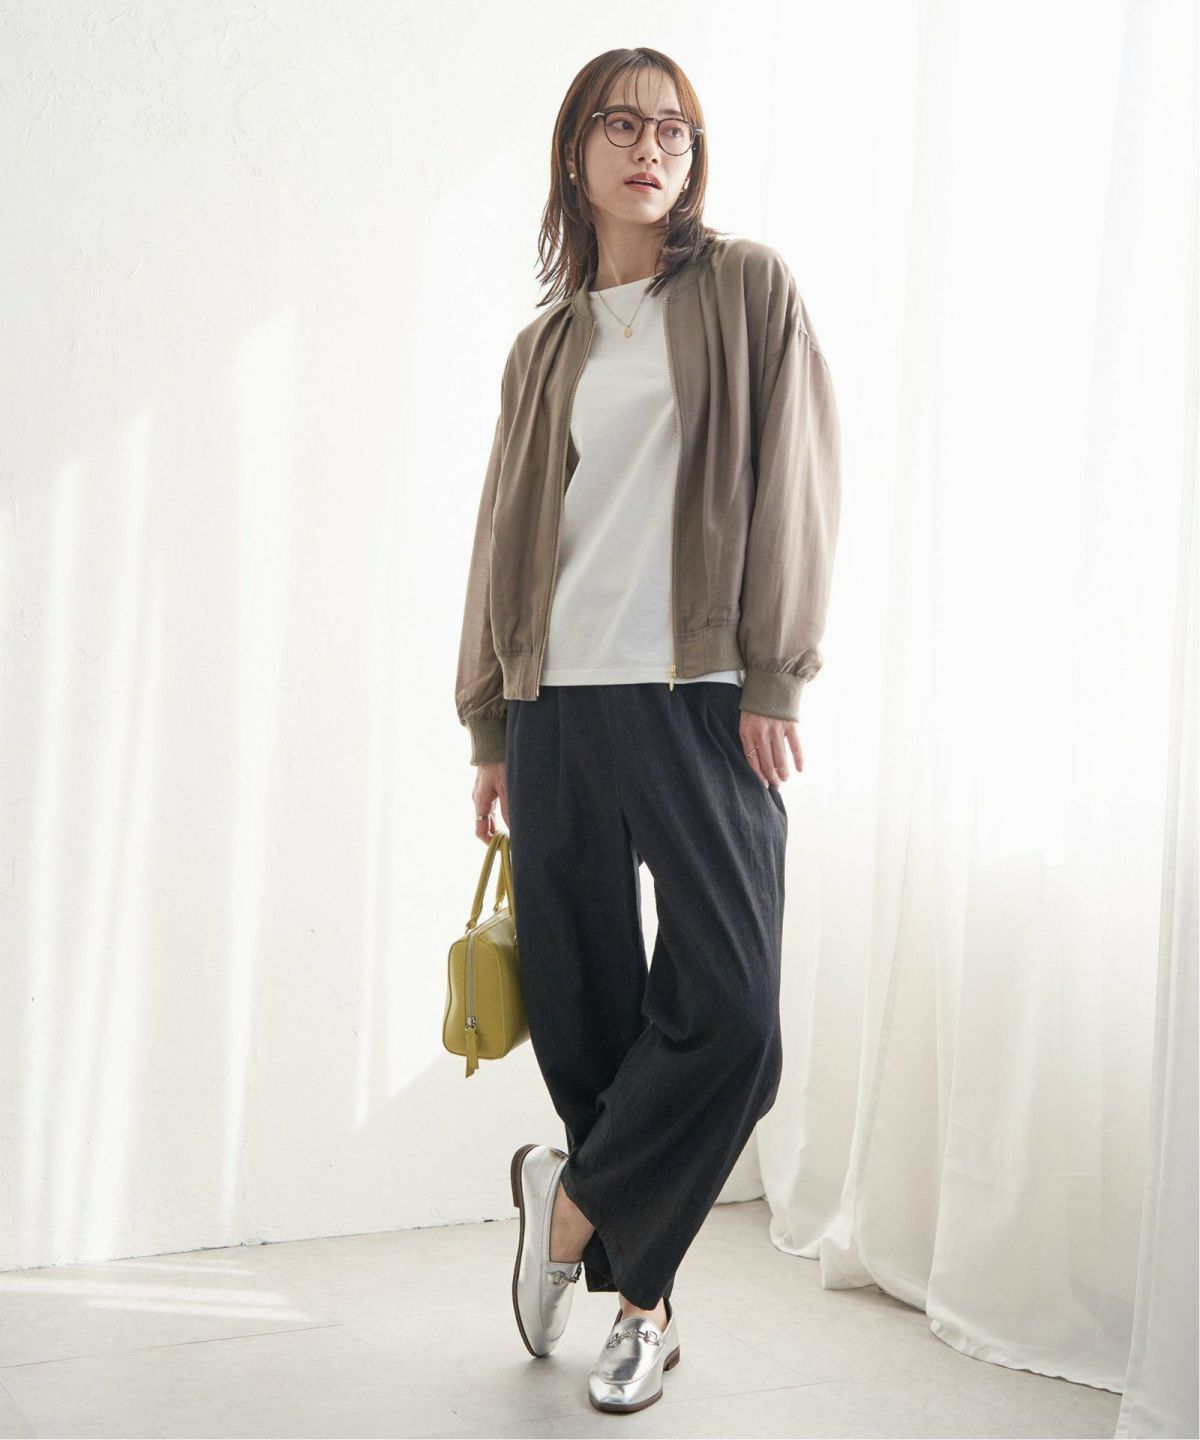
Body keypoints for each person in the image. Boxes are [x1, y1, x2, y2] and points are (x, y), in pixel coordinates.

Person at [454, 46, 842, 1415]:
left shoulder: (747, 291)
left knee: (731, 1015)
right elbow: (501, 535)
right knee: (589, 1019)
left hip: (699, 696)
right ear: (577, 155)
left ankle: (568, 1211)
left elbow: (800, 480)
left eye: (672, 128)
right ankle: (644, 1311)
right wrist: (487, 723)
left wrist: (777, 673)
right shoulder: (545, 347)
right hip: (555, 706)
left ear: (694, 155)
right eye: (621, 125)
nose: (649, 148)